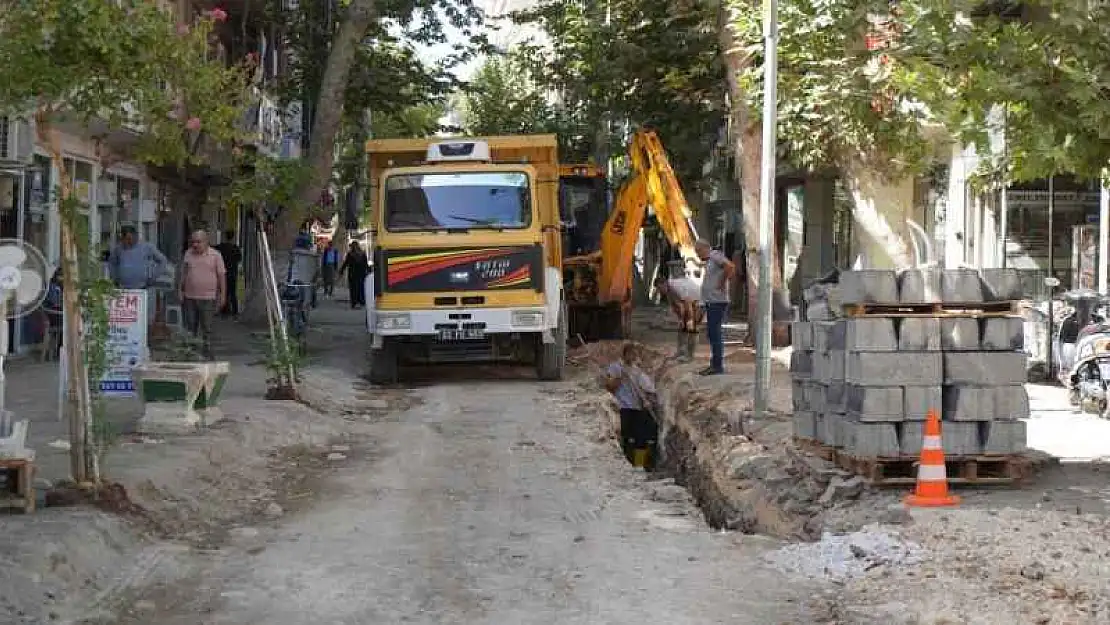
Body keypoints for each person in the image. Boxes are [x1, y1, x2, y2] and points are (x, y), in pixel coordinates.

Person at [604, 342, 659, 469]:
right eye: (630, 353)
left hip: (638, 409)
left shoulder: (638, 372)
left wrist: (649, 400)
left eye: (635, 353)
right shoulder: (616, 368)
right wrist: (620, 378)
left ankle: (639, 464)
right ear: (624, 354)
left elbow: (650, 390)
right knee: (628, 439)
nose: (633, 356)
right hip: (624, 409)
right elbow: (609, 387)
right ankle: (628, 464)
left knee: (641, 440)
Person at [179, 229, 226, 359]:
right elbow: (183, 273)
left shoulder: (215, 255)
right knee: (190, 327)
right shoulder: (188, 254)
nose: (195, 245)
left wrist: (223, 295)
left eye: (198, 242)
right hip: (190, 297)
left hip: (208, 298)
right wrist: (180, 290)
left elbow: (221, 276)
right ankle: (190, 354)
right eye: (193, 242)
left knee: (207, 328)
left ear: (206, 242)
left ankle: (208, 355)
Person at [695, 239, 736, 376]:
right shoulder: (709, 261)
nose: (697, 254)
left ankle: (717, 366)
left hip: (717, 301)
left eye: (698, 251)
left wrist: (721, 282)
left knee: (714, 333)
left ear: (705, 248)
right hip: (711, 301)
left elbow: (730, 266)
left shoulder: (715, 255)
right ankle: (715, 364)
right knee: (712, 333)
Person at [654, 272, 703, 362]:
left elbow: (688, 303)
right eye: (658, 290)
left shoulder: (676, 287)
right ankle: (681, 351)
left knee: (692, 329)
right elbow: (675, 307)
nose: (660, 291)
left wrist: (690, 320)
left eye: (660, 288)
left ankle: (689, 355)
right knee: (681, 328)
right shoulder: (668, 292)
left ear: (664, 284)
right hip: (689, 303)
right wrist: (680, 319)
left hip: (698, 302)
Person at [108, 225, 168, 290]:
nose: (127, 242)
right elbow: (111, 263)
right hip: (122, 288)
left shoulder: (147, 247)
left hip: (142, 287)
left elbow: (163, 260)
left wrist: (153, 276)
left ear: (135, 236)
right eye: (124, 239)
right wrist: (114, 278)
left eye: (129, 239)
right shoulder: (118, 249)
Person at [214, 230, 242, 318]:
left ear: (225, 236)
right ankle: (235, 311)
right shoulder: (236, 248)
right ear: (233, 237)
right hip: (233, 273)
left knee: (224, 291)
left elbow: (212, 248)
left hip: (223, 272)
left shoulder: (221, 247)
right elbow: (239, 259)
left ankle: (224, 310)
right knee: (233, 292)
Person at [339, 241, 370, 310]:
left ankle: (354, 303)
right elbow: (366, 264)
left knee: (353, 289)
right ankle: (361, 302)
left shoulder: (350, 254)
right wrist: (369, 271)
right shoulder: (363, 254)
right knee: (361, 288)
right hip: (361, 274)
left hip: (353, 275)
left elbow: (346, 263)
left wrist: (341, 271)